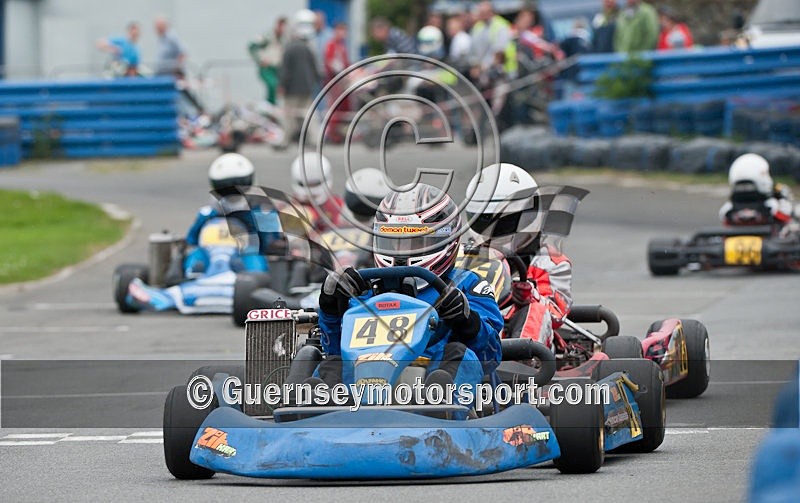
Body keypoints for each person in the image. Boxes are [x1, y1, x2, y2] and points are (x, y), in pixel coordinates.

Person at [315, 183, 504, 397]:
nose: (402, 254)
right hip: (362, 392)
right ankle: (308, 414)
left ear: (446, 240)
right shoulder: (365, 291)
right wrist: (330, 311)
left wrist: (468, 321)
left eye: (415, 242)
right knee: (323, 361)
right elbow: (334, 350)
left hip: (431, 391)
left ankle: (442, 411)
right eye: (395, 243)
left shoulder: (467, 285)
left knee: (461, 355)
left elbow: (491, 357)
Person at [465, 163, 573, 350]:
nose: (494, 231)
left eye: (505, 222)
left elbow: (556, 314)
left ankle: (521, 362)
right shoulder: (465, 256)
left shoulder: (550, 262)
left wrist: (529, 295)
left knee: (535, 309)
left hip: (518, 337)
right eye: (485, 221)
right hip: (473, 327)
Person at [181, 153, 271, 279]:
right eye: (225, 188)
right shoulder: (208, 213)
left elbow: (268, 242)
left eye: (239, 185)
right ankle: (192, 278)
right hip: (210, 253)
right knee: (195, 256)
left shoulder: (258, 212)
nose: (232, 192)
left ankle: (252, 281)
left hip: (242, 254)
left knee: (255, 260)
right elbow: (192, 240)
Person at [718, 153, 798, 231]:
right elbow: (787, 217)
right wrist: (783, 197)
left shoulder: (727, 209)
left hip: (736, 242)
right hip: (769, 241)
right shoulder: (773, 206)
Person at [280, 10, 322, 148]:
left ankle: (285, 140)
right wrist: (317, 82)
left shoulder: (289, 48)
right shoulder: (309, 48)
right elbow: (315, 68)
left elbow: (286, 70)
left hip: (292, 89)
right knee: (309, 115)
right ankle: (315, 139)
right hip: (307, 88)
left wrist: (282, 86)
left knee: (288, 115)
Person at [289, 152, 344, 233]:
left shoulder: (338, 205)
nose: (311, 192)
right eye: (305, 184)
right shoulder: (289, 210)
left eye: (315, 184)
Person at [249, 17, 287, 105]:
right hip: (267, 67)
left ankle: (273, 105)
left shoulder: (284, 39)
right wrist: (259, 60)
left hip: (277, 68)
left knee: (279, 88)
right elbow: (252, 47)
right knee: (272, 85)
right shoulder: (267, 37)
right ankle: (270, 104)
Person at [323, 22, 350, 143]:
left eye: (344, 31)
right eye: (340, 30)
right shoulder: (331, 45)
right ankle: (331, 133)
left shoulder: (342, 46)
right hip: (334, 81)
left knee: (344, 108)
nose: (343, 34)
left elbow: (345, 62)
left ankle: (341, 133)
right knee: (334, 108)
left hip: (343, 82)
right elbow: (330, 62)